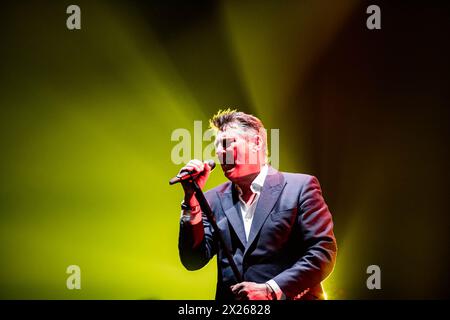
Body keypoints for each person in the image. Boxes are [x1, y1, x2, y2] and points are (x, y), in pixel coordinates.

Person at [177, 109, 337, 300]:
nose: (220, 152)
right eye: (217, 147)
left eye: (228, 143)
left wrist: (271, 289)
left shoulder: (299, 187)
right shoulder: (212, 199)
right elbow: (193, 260)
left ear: (257, 142)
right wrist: (190, 201)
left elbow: (322, 251)